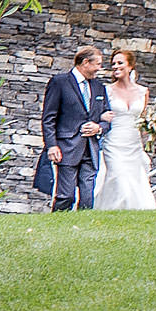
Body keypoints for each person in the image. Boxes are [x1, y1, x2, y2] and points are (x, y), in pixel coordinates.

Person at [39, 45, 109, 212]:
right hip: (67, 147)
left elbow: (107, 117)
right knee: (66, 195)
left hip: (90, 148)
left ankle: (84, 231)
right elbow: (49, 118)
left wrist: (98, 127)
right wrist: (52, 145)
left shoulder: (99, 87)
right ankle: (57, 228)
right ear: (85, 62)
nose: (99, 69)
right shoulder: (60, 82)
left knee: (87, 197)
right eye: (97, 64)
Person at [94, 48, 156, 210]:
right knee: (118, 177)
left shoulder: (143, 91)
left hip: (134, 142)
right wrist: (101, 118)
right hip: (114, 141)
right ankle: (114, 209)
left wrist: (153, 128)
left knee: (135, 178)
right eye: (113, 64)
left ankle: (137, 210)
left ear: (130, 66)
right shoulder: (106, 90)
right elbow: (95, 114)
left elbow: (143, 118)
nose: (115, 66)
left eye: (120, 63)